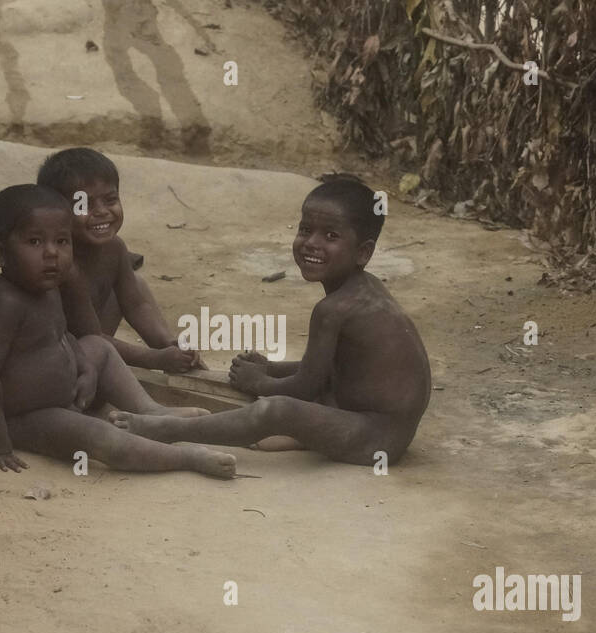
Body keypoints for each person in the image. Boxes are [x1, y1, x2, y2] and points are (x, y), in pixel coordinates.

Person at [112, 175, 431, 466]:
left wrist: (261, 383)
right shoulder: (364, 290)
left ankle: (170, 429)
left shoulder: (334, 309)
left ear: (363, 252)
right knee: (295, 394)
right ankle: (305, 435)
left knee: (277, 409)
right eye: (306, 230)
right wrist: (271, 368)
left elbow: (307, 386)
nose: (312, 243)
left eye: (330, 236)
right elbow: (326, 367)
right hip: (379, 424)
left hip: (376, 439)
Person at [0, 184, 236, 479]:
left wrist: (85, 367)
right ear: (0, 254)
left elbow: (63, 335)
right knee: (98, 435)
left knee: (97, 344)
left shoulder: (49, 287)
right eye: (34, 242)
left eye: (62, 241)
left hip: (71, 392)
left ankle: (150, 411)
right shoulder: (5, 303)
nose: (52, 254)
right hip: (30, 416)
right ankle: (185, 457)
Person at [36, 147, 202, 372]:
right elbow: (89, 336)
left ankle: (178, 355)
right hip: (60, 359)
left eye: (110, 199)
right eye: (84, 205)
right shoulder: (62, 263)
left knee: (136, 285)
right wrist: (153, 359)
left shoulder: (115, 248)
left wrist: (167, 345)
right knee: (92, 345)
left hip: (96, 342)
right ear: (56, 212)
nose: (102, 211)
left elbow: (136, 305)